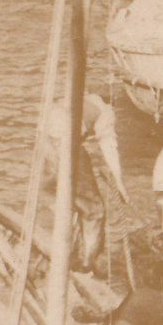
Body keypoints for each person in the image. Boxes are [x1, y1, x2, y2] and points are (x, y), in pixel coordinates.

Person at [36, 92, 127, 274]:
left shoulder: (76, 98)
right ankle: (86, 266)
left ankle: (54, 259)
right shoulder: (105, 111)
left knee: (62, 206)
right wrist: (120, 184)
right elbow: (109, 147)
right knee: (94, 211)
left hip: (43, 144)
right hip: (65, 144)